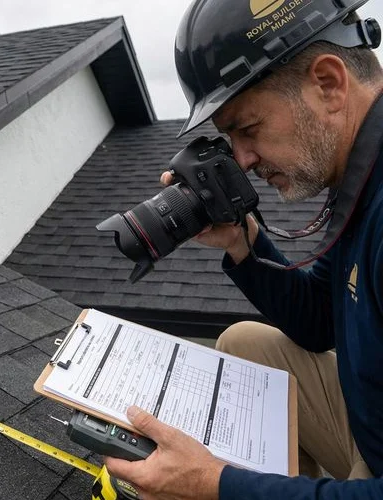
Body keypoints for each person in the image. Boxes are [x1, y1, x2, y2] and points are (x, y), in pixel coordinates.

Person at [104, 0, 383, 498]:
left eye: (247, 130)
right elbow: (322, 321)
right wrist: (243, 242)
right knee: (245, 344)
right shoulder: (359, 175)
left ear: (328, 84)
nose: (244, 160)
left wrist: (216, 483)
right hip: (371, 425)